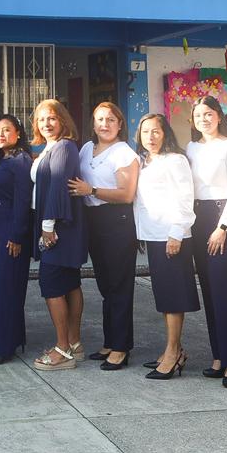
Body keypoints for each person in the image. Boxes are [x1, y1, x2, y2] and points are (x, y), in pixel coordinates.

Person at [185, 95, 227, 388]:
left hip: (223, 218)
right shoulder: (191, 147)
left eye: (209, 114)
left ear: (219, 115)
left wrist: (223, 226)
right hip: (198, 217)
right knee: (209, 291)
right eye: (198, 115)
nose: (204, 119)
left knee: (223, 291)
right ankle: (219, 355)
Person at [68, 102, 139, 368]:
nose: (104, 124)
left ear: (120, 124)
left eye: (110, 120)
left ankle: (121, 347)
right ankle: (110, 342)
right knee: (106, 286)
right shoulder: (87, 148)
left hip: (116, 220)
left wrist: (92, 190)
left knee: (119, 286)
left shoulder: (123, 153)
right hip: (93, 221)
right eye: (99, 119)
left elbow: (127, 194)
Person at [131, 113, 197, 380]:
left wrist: (176, 233)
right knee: (164, 296)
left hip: (171, 235)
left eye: (156, 131)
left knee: (173, 297)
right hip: (153, 235)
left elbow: (185, 197)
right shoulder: (143, 161)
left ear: (165, 133)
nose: (151, 136)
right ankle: (173, 348)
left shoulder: (175, 160)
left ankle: (173, 353)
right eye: (146, 131)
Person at [31, 99, 87, 371]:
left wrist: (48, 226)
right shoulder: (49, 148)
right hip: (57, 225)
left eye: (52, 118)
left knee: (52, 284)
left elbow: (58, 185)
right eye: (41, 119)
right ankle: (74, 344)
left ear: (63, 120)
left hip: (58, 228)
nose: (46, 123)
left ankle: (62, 349)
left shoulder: (64, 146)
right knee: (69, 283)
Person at [0, 115, 33, 366]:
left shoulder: (20, 160)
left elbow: (23, 200)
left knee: (6, 288)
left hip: (11, 232)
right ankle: (9, 340)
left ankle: (3, 348)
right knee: (0, 287)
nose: (0, 135)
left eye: (6, 130)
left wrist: (16, 235)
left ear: (18, 133)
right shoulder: (2, 159)